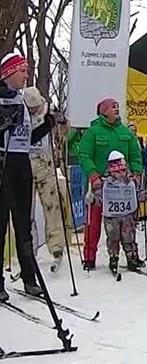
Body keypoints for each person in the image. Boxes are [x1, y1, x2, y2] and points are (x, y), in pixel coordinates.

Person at [0, 52, 55, 300]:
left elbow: (27, 138)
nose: (26, 76)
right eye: (22, 71)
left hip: (22, 163)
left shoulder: (21, 99)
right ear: (9, 73)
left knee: (24, 225)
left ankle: (29, 278)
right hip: (4, 163)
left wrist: (47, 125)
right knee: (1, 224)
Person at [75, 97, 143, 270]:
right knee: (94, 223)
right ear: (103, 111)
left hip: (123, 186)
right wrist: (93, 175)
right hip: (100, 183)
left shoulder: (126, 133)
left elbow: (135, 155)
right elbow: (84, 155)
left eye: (117, 107)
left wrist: (136, 174)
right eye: (112, 107)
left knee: (128, 222)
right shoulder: (93, 132)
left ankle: (131, 254)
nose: (116, 109)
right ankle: (89, 256)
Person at [30, 107, 71, 272]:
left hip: (46, 167)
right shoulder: (22, 114)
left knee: (52, 208)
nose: (33, 111)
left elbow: (65, 129)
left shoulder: (46, 114)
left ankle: (56, 247)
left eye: (35, 108)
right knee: (27, 212)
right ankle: (28, 250)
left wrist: (60, 122)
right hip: (26, 165)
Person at [92, 150, 144, 274]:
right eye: (117, 171)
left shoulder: (131, 182)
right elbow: (100, 199)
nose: (121, 174)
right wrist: (93, 199)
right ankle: (113, 258)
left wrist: (146, 193)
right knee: (113, 238)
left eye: (123, 170)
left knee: (129, 238)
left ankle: (131, 258)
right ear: (111, 171)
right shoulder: (105, 184)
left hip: (127, 217)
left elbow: (139, 195)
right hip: (111, 218)